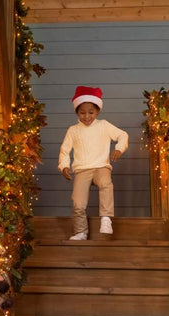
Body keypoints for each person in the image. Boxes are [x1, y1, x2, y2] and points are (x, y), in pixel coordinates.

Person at [58, 86, 129, 240]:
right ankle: (80, 232)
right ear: (77, 112)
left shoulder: (103, 125)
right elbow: (65, 150)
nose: (87, 116)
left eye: (91, 112)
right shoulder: (73, 130)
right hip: (82, 169)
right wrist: (63, 165)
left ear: (97, 111)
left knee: (106, 184)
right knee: (78, 201)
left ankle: (106, 218)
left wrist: (119, 149)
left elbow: (122, 135)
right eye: (82, 113)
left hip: (101, 166)